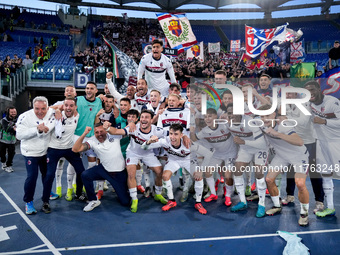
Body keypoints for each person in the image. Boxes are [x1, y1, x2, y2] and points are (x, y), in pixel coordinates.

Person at [142, 124, 212, 214]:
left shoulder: (190, 144)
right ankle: (172, 201)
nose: (173, 137)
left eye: (176, 134)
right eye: (171, 134)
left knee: (199, 177)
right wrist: (149, 142)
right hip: (173, 160)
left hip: (188, 160)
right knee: (165, 176)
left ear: (181, 135)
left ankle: (198, 203)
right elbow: (143, 147)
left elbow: (208, 154)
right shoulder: (165, 141)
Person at [259, 104, 310, 226]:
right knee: (269, 179)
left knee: (300, 184)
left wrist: (277, 134)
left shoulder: (284, 125)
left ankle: (304, 214)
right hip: (282, 156)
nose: (265, 118)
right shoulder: (261, 125)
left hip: (299, 156)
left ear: (274, 115)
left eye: (267, 115)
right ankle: (277, 205)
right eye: (262, 116)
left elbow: (299, 141)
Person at [72, 122, 132, 212]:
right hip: (104, 169)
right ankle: (93, 200)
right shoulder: (92, 140)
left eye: (101, 131)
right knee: (85, 175)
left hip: (118, 173)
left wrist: (132, 124)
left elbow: (129, 129)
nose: (99, 134)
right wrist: (84, 134)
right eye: (97, 132)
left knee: (125, 202)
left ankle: (122, 190)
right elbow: (75, 149)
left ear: (106, 131)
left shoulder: (114, 135)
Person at [41, 98, 86, 213]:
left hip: (69, 149)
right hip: (54, 149)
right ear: (63, 106)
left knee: (81, 171)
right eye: (66, 105)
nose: (68, 108)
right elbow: (46, 109)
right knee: (50, 174)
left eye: (71, 106)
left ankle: (79, 193)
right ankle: (45, 201)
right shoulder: (54, 115)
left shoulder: (77, 116)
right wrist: (56, 110)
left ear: (75, 107)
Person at [225, 103, 268, 218]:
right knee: (237, 171)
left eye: (234, 112)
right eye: (229, 113)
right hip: (245, 149)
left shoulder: (250, 122)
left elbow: (262, 143)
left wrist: (243, 142)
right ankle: (243, 202)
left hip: (260, 148)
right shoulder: (227, 124)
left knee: (259, 173)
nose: (232, 115)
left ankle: (262, 204)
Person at [305, 80, 340, 217]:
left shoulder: (332, 102)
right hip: (320, 142)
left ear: (319, 89)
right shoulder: (308, 105)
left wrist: (325, 121)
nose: (310, 93)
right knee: (325, 174)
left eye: (312, 90)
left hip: (335, 142)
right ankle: (330, 207)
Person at [16, 96, 55, 215]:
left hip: (45, 151)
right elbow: (19, 135)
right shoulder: (24, 116)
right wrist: (36, 130)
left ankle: (47, 192)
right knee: (32, 177)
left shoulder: (51, 112)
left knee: (47, 176)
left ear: (47, 108)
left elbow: (61, 105)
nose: (40, 111)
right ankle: (28, 202)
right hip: (30, 153)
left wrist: (58, 111)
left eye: (43, 108)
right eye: (37, 108)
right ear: (33, 107)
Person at [65, 81, 102, 201]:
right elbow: (63, 105)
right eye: (87, 88)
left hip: (91, 137)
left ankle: (87, 187)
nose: (89, 90)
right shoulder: (78, 99)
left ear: (96, 90)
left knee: (92, 163)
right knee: (73, 163)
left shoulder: (99, 101)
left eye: (91, 88)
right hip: (77, 136)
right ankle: (69, 189)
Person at [125, 110, 168, 213]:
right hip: (133, 152)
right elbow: (118, 132)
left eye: (147, 117)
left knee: (159, 171)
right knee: (131, 174)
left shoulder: (157, 130)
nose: (144, 119)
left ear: (151, 120)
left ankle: (157, 194)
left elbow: (170, 133)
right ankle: (134, 199)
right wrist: (108, 128)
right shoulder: (133, 127)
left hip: (147, 153)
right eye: (142, 117)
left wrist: (184, 136)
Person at [0, 106, 17, 172]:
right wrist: (15, 129)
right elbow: (6, 129)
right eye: (12, 112)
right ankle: (3, 162)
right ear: (8, 113)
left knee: (11, 154)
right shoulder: (3, 120)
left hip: (12, 141)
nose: (13, 113)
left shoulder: (18, 120)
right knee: (2, 153)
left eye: (14, 112)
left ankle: (9, 166)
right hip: (2, 140)